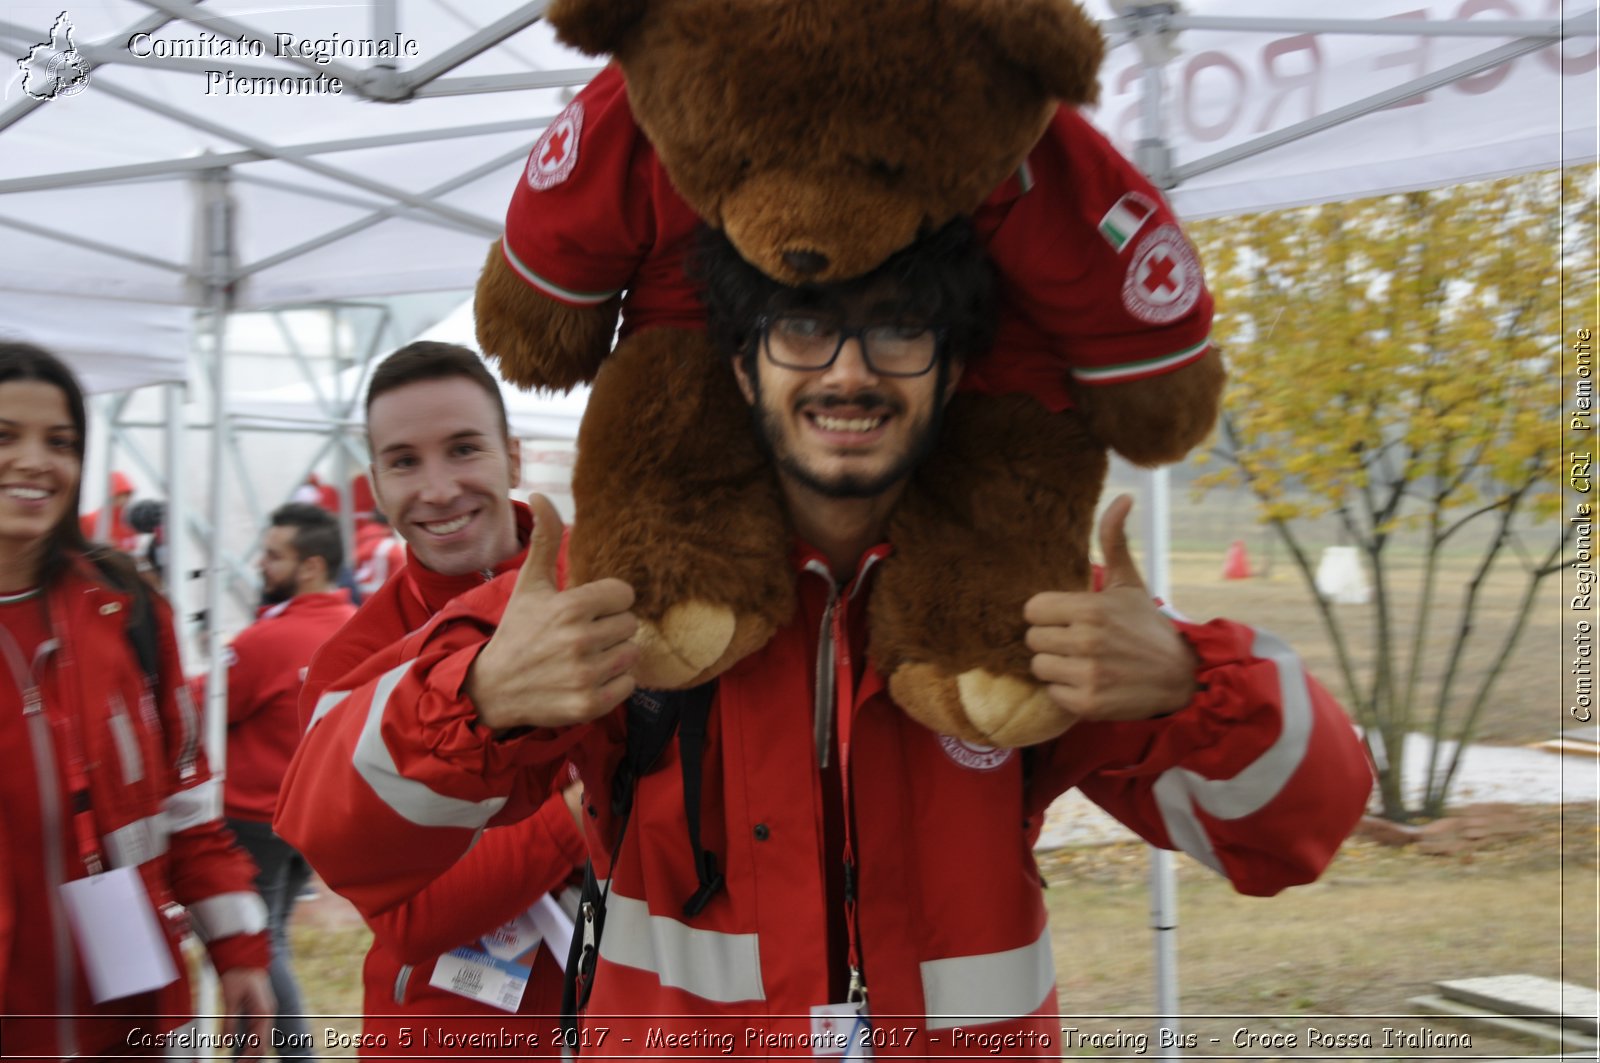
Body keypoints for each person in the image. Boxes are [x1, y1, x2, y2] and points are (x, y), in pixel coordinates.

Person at [276, 226, 1373, 1053]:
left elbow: (1300, 827)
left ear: (947, 373)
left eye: (898, 329)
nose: (848, 372)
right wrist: (477, 694)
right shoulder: (614, 594)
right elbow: (337, 831)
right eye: (804, 327)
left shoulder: (1022, 611)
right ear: (744, 369)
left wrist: (1186, 685)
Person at [287, 342, 588, 1055]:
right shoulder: (351, 666)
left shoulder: (607, 576)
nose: (439, 487)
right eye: (404, 462)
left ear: (512, 457)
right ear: (376, 484)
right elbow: (413, 913)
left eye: (462, 449)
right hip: (451, 1029)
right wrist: (580, 812)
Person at [0, 341, 273, 1059]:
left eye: (59, 442)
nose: (35, 461)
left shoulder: (126, 610)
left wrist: (240, 951)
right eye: (5, 436)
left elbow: (189, 815)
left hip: (134, 1025)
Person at [203, 502, 357, 1059]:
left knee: (257, 948)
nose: (262, 565)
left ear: (311, 566)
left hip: (254, 818)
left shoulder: (265, 642)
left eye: (274, 556)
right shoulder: (357, 629)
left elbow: (203, 709)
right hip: (312, 818)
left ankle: (286, 1056)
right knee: (271, 941)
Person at [78, 468, 140, 553]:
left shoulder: (132, 523)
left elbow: (134, 550)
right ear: (110, 495)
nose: (125, 500)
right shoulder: (89, 520)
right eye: (122, 494)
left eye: (128, 495)